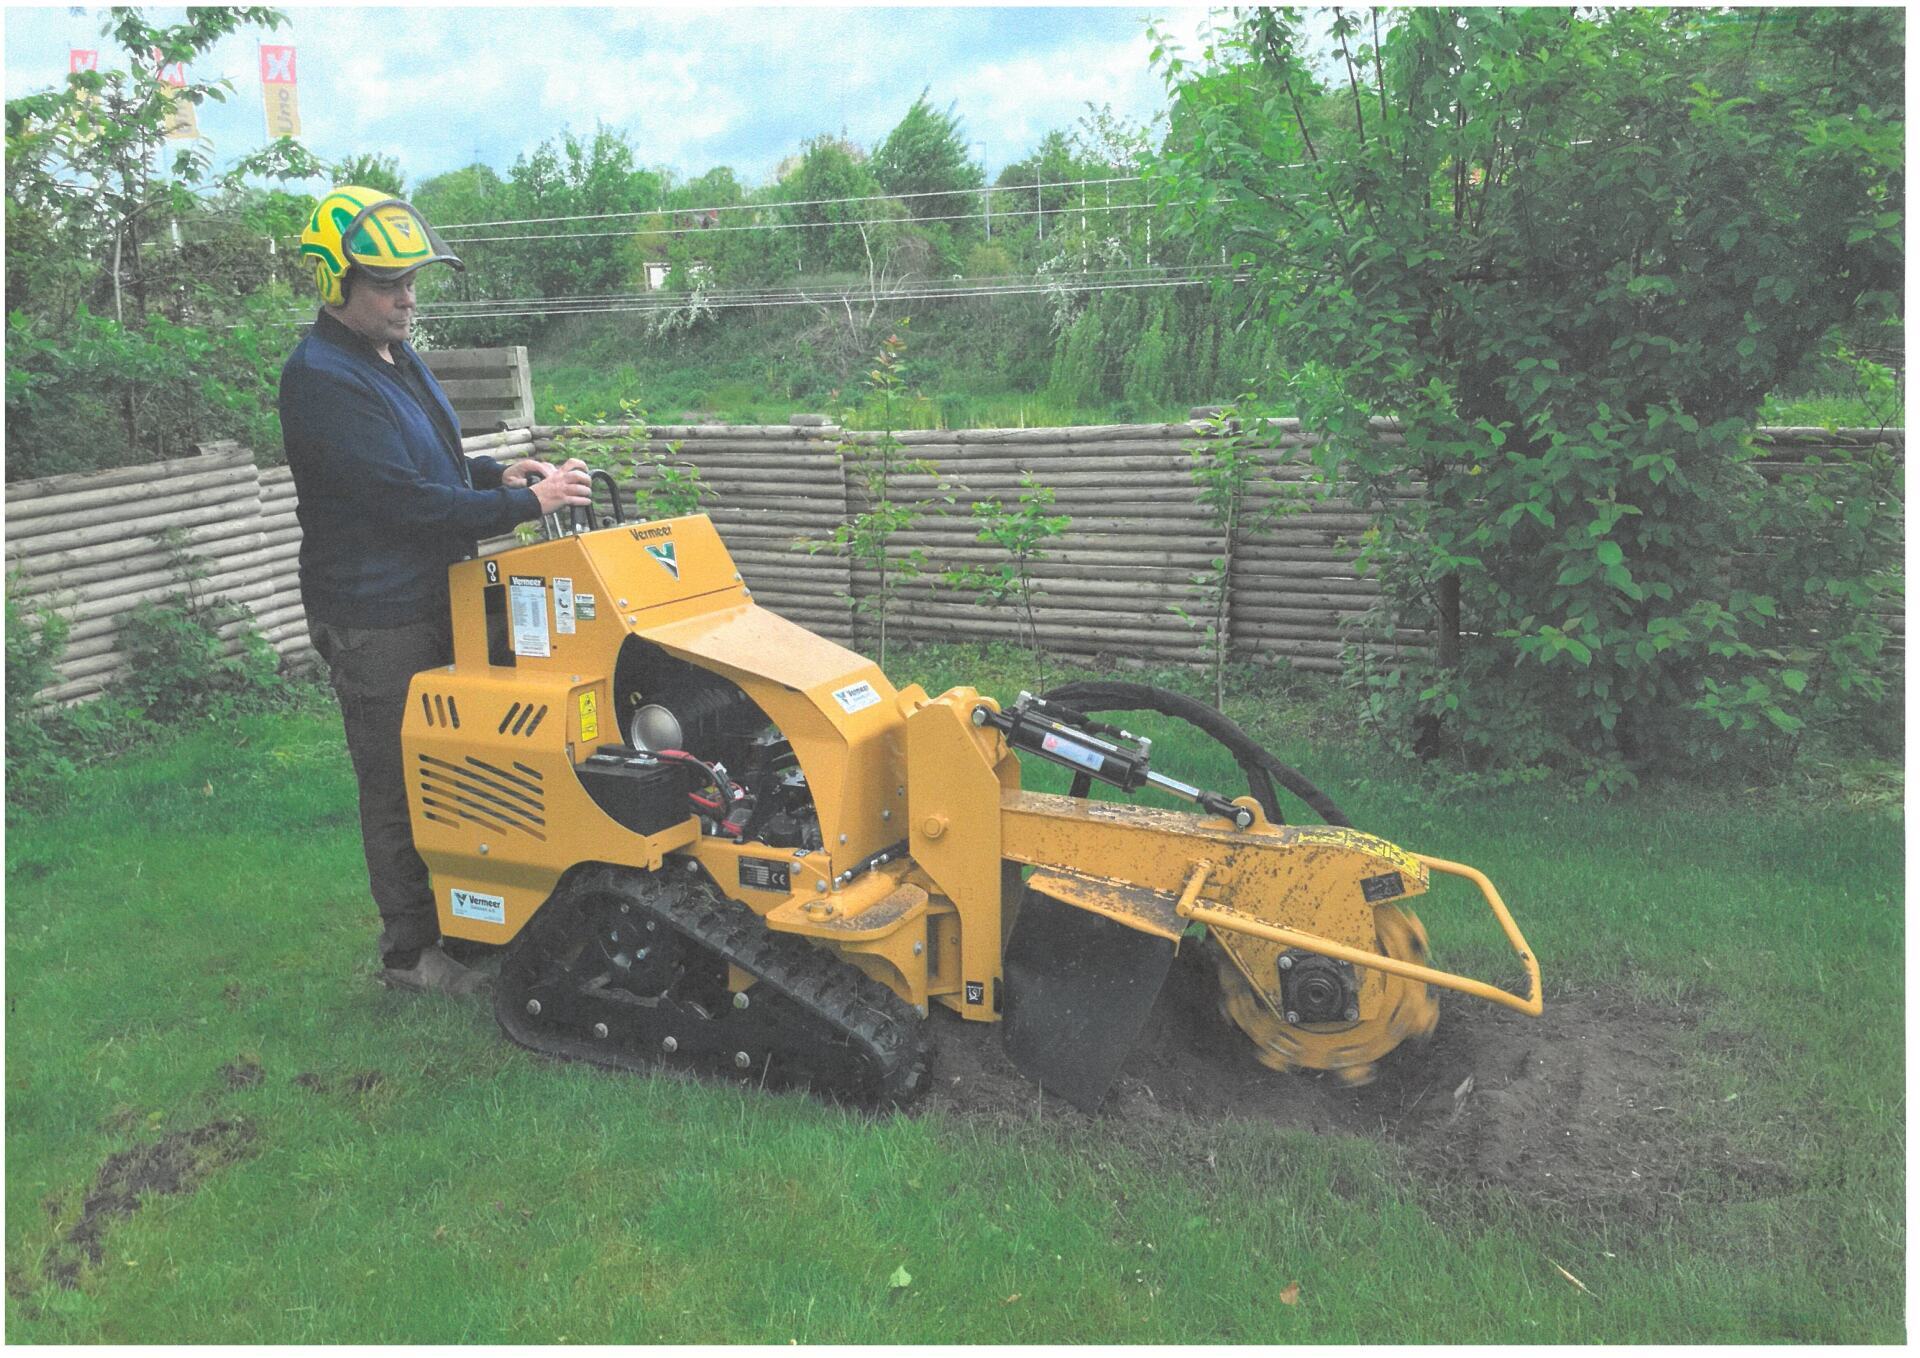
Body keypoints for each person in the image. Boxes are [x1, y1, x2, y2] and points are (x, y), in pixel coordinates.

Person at [280, 184, 591, 996]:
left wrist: (496, 475)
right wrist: (529, 505)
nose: (407, 297)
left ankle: (473, 922)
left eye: (412, 280)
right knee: (398, 783)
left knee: (460, 769)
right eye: (389, 283)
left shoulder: (392, 354)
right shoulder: (321, 379)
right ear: (335, 282)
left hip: (434, 595)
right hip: (376, 615)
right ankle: (411, 955)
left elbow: (433, 466)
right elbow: (402, 503)